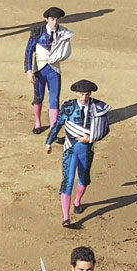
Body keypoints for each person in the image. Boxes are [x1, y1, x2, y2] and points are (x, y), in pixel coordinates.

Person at [46, 80, 111, 226]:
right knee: (67, 182)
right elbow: (58, 125)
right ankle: (66, 218)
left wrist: (92, 137)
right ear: (76, 93)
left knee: (84, 178)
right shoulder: (69, 107)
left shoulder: (97, 107)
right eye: (82, 94)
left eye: (87, 94)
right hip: (70, 148)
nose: (84, 97)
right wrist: (48, 142)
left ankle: (77, 202)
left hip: (87, 149)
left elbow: (105, 128)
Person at [25, 7, 73, 134]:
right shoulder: (38, 32)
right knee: (38, 97)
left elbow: (66, 52)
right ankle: (37, 123)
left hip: (54, 70)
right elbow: (29, 51)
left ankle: (53, 129)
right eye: (52, 19)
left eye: (57, 19)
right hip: (39, 70)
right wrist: (29, 71)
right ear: (46, 19)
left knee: (54, 99)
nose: (54, 22)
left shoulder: (63, 33)